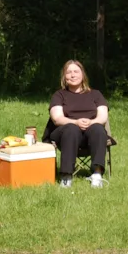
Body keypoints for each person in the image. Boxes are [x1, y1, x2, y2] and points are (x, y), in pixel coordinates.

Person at [45, 59, 108, 188]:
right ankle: (66, 176)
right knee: (71, 129)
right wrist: (76, 122)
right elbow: (57, 118)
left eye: (76, 71)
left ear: (83, 75)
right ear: (64, 76)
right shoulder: (59, 95)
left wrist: (91, 122)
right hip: (64, 133)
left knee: (98, 129)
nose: (72, 75)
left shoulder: (96, 94)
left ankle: (97, 174)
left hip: (90, 133)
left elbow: (103, 116)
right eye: (68, 72)